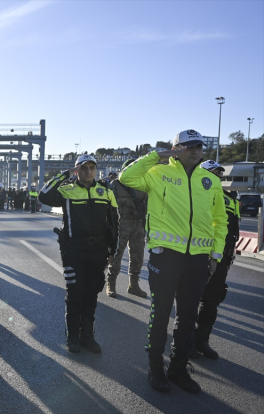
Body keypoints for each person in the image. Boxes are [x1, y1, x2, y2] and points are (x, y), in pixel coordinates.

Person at [120, 130, 228, 394]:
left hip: (198, 260)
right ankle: (155, 367)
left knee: (188, 317)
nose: (195, 150)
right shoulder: (157, 173)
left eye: (199, 146)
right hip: (166, 256)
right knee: (160, 315)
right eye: (188, 146)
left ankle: (178, 368)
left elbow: (220, 220)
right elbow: (127, 177)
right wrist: (157, 156)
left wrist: (215, 255)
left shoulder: (209, 180)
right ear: (175, 148)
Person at [38, 154, 119, 354]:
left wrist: (112, 250)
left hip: (98, 251)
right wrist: (63, 175)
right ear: (77, 171)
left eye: (92, 167)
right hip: (73, 249)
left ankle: (88, 336)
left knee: (91, 294)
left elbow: (114, 222)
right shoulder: (66, 190)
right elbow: (43, 195)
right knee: (75, 294)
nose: (88, 171)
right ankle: (73, 336)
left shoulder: (105, 191)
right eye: (84, 168)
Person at [189, 160, 240, 360]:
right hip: (200, 256)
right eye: (212, 174)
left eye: (219, 174)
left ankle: (202, 340)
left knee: (212, 302)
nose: (217, 178)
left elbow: (231, 231)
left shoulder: (231, 199)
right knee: (191, 301)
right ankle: (188, 341)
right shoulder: (196, 196)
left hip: (222, 258)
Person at [107, 159, 148, 298]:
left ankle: (133, 285)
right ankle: (111, 283)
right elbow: (109, 205)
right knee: (116, 255)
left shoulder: (143, 185)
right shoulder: (115, 185)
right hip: (121, 222)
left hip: (138, 224)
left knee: (138, 256)